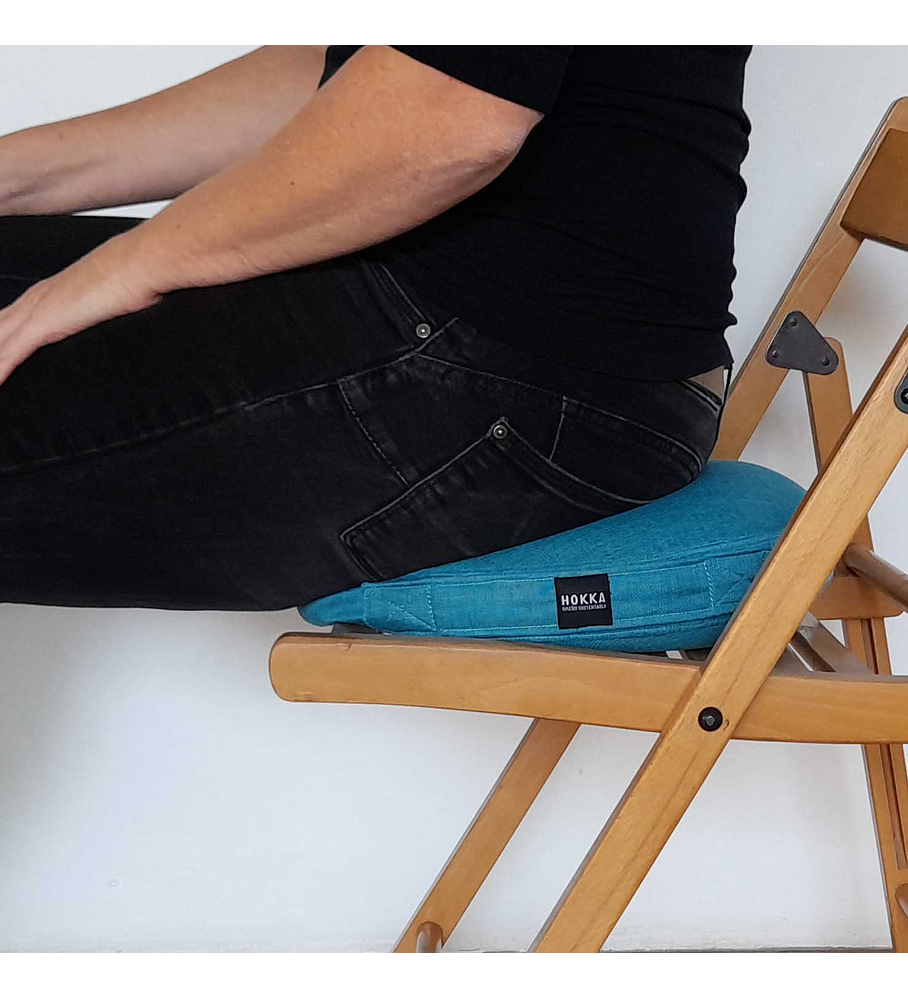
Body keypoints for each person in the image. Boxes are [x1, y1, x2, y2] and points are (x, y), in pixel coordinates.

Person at [0, 44, 751, 610]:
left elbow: (455, 117)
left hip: (522, 377)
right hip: (507, 337)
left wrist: (123, 270)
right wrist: (20, 176)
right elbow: (364, 73)